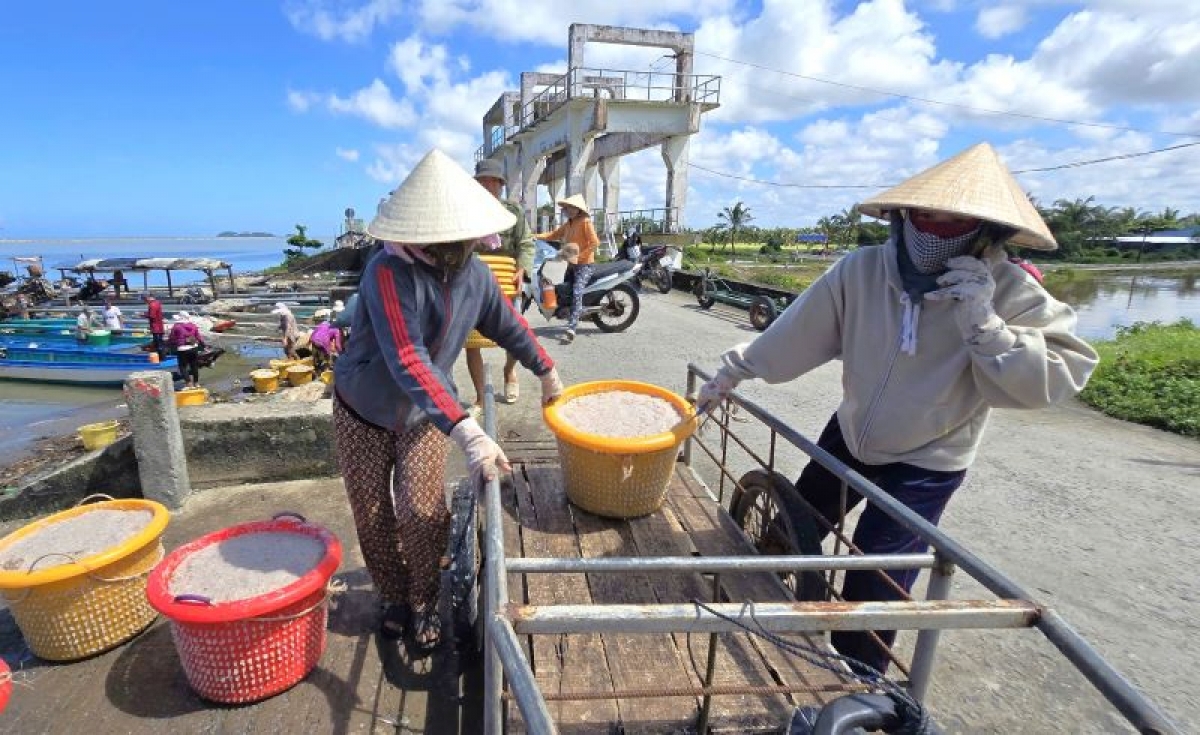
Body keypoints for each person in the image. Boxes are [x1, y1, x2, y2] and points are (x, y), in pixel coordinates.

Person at [694, 142, 1099, 674]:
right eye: (923, 216)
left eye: (953, 222)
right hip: (854, 429)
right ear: (902, 217)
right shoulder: (862, 271)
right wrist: (733, 371)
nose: (932, 231)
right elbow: (796, 334)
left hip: (929, 458)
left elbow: (1054, 377)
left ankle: (864, 684)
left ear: (985, 231)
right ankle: (768, 585)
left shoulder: (1008, 290)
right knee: (801, 517)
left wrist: (985, 325)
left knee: (876, 575)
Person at [333, 148, 563, 652]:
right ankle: (393, 596)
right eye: (445, 243)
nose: (454, 252)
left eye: (461, 242)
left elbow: (509, 324)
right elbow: (409, 359)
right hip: (363, 409)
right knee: (372, 516)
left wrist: (545, 369)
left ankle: (423, 599)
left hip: (426, 415)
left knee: (421, 511)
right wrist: (468, 429)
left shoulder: (476, 274)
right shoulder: (388, 272)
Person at [465, 158, 535, 412]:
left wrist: (522, 269)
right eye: (482, 181)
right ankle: (481, 397)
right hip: (473, 281)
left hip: (506, 279)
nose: (487, 186)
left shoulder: (512, 212)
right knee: (471, 340)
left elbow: (526, 243)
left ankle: (509, 372)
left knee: (512, 334)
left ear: (500, 185)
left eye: (492, 181)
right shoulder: (465, 212)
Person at [534, 193, 600, 343]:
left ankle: (572, 327)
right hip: (571, 263)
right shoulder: (569, 224)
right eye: (567, 208)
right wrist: (535, 236)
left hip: (585, 265)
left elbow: (595, 242)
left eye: (571, 208)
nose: (568, 210)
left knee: (577, 291)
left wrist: (581, 256)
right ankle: (563, 310)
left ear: (578, 209)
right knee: (556, 284)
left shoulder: (585, 222)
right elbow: (553, 235)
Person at [167, 312, 205, 388]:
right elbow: (199, 337)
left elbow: (172, 338)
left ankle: (189, 383)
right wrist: (203, 345)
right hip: (194, 348)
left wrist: (169, 344)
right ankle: (196, 383)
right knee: (194, 366)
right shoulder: (193, 326)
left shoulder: (176, 326)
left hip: (182, 349)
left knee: (183, 367)